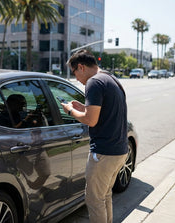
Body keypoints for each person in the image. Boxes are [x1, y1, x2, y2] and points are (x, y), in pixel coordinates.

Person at [61, 50, 128, 223]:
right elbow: (102, 113)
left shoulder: (94, 83)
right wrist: (83, 107)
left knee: (93, 199)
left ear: (81, 67)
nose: (76, 78)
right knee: (104, 196)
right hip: (119, 150)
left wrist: (70, 110)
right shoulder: (110, 79)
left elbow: (90, 120)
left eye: (75, 72)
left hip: (104, 153)